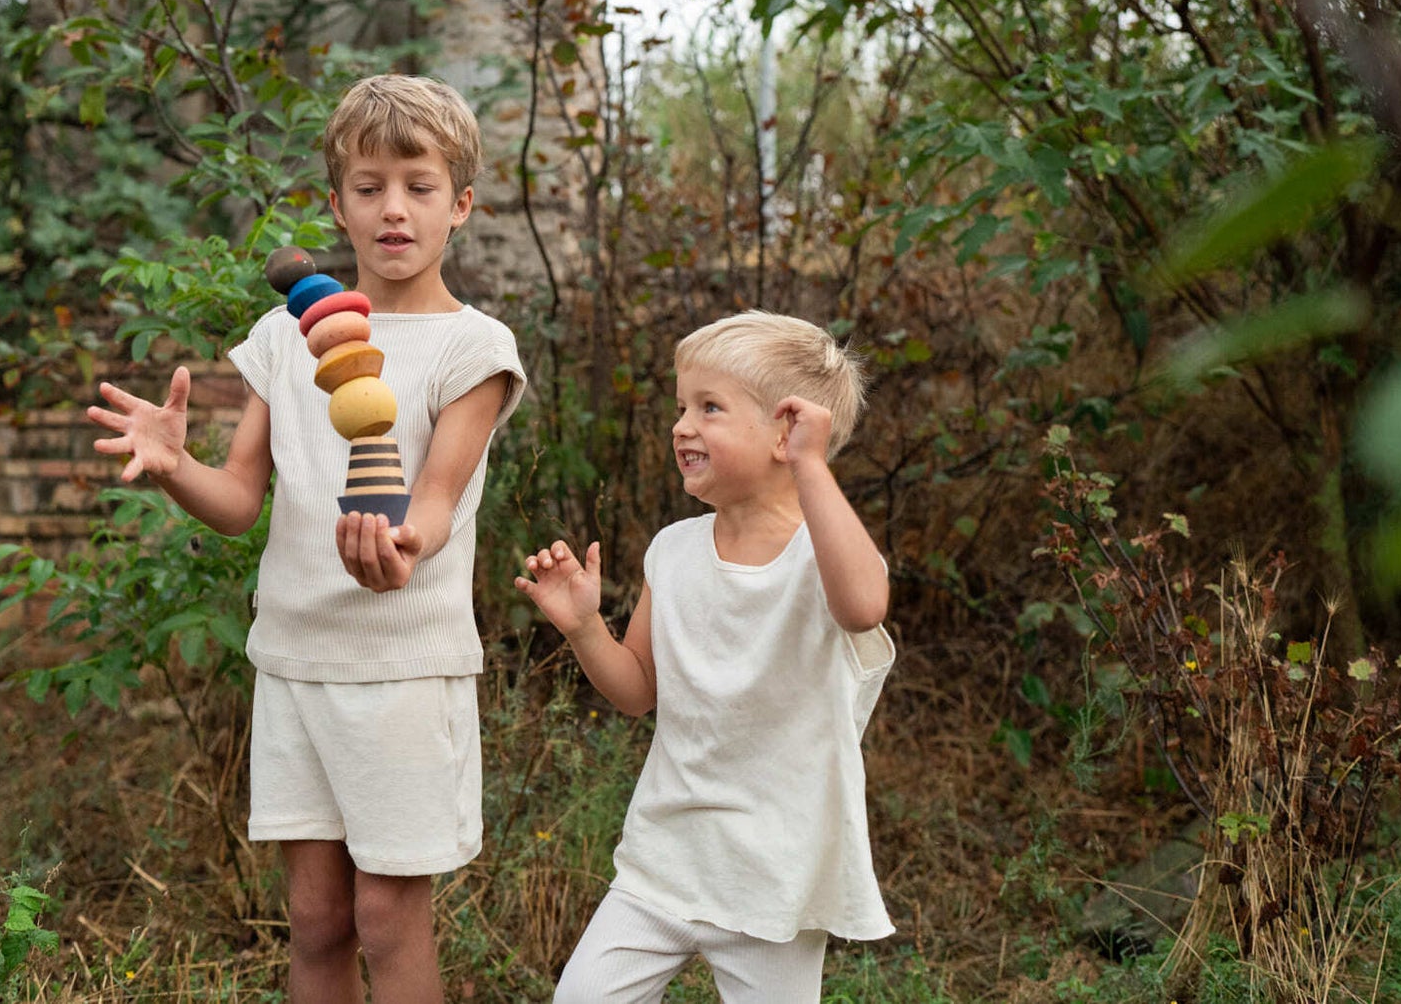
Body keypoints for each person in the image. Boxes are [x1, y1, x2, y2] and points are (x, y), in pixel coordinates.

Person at [88, 75, 525, 1004]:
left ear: (461, 205)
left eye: (419, 186)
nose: (394, 209)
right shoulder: (286, 337)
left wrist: (402, 548)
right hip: (293, 658)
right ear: (337, 205)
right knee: (319, 921)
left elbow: (435, 500)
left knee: (388, 920)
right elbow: (238, 501)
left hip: (404, 667)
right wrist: (175, 466)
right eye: (369, 188)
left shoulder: (474, 347)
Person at [516, 311, 895, 1004]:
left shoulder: (823, 555)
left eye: (709, 408)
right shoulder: (673, 550)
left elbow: (865, 606)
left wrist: (812, 465)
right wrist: (584, 627)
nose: (682, 426)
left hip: (774, 874)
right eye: (681, 407)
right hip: (666, 855)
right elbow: (638, 691)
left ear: (785, 434)